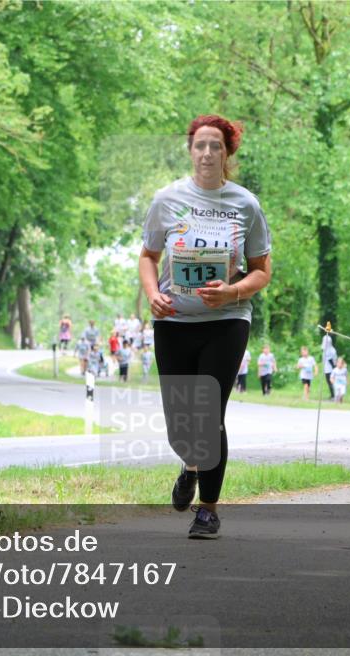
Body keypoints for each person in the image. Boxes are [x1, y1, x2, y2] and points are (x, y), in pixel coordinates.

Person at [138, 113, 272, 539]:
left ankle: (208, 510)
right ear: (190, 150)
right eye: (200, 145)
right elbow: (148, 257)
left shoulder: (245, 204)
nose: (208, 153)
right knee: (181, 424)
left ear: (227, 153)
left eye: (216, 145)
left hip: (226, 321)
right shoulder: (167, 199)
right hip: (174, 321)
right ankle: (191, 464)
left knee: (209, 414)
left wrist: (232, 293)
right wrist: (152, 294)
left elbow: (262, 271)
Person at [321, 332, 337, 400]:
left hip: (330, 369)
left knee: (331, 382)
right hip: (327, 368)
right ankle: (332, 395)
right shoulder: (326, 350)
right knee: (329, 382)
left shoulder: (330, 350)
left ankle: (334, 396)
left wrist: (334, 369)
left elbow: (331, 360)